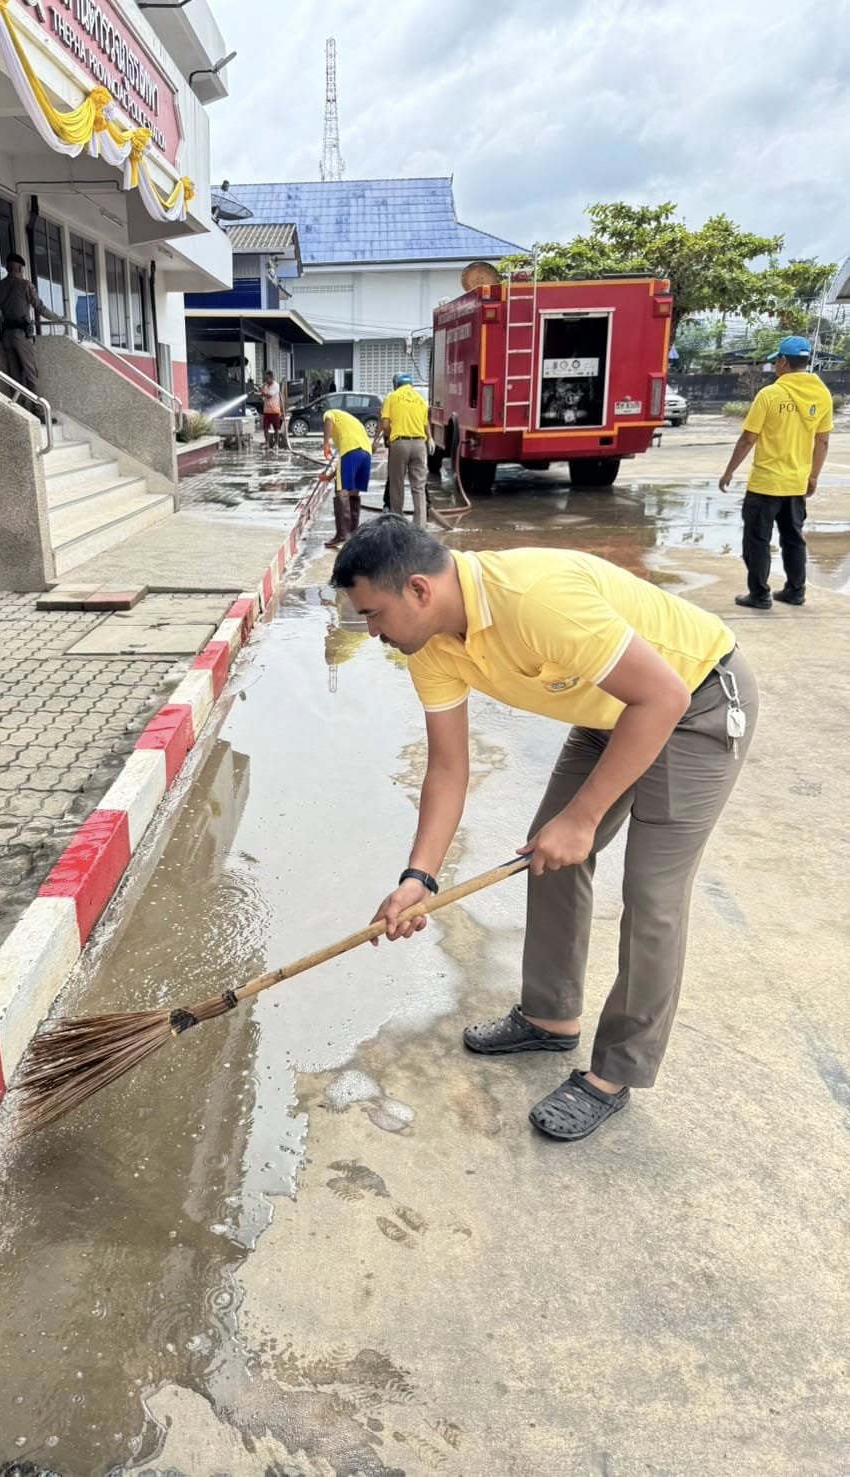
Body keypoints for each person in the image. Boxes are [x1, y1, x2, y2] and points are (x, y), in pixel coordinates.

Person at [331, 516, 758, 1142]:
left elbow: (663, 697)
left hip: (695, 702)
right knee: (547, 854)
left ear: (419, 589)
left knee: (653, 892)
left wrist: (582, 818)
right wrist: (419, 878)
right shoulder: (431, 643)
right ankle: (551, 1018)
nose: (372, 632)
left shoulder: (534, 597)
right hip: (613, 710)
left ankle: (615, 1073)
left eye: (373, 614)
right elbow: (448, 768)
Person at [718, 335, 833, 608]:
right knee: (794, 539)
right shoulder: (822, 395)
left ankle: (759, 595)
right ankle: (795, 591)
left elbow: (748, 438)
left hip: (765, 484)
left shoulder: (769, 395)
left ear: (782, 361)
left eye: (776, 362)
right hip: (796, 483)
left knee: (757, 541)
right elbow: (823, 441)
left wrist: (729, 471)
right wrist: (813, 476)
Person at [0, 253, 63, 421]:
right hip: (22, 335)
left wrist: (3, 320)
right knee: (30, 373)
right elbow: (40, 308)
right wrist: (59, 319)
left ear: (7, 268)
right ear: (20, 269)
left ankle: (21, 412)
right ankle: (39, 412)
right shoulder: (25, 285)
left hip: (6, 336)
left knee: (14, 375)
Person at [379, 373, 429, 525]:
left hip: (400, 443)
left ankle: (398, 523)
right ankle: (420, 526)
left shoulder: (392, 397)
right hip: (420, 444)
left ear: (397, 385)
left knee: (397, 485)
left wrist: (389, 438)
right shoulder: (421, 400)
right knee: (419, 487)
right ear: (411, 385)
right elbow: (425, 425)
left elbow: (385, 425)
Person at [322, 407, 372, 550]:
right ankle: (353, 534)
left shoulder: (330, 413)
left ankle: (342, 535)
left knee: (341, 492)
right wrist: (330, 476)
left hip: (351, 452)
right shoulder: (350, 423)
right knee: (353, 492)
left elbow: (328, 419)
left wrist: (326, 443)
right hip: (366, 453)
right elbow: (342, 466)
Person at [261, 370, 283, 451]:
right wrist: (261, 393)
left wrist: (261, 391)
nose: (266, 380)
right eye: (265, 379)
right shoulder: (266, 386)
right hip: (266, 411)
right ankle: (267, 443)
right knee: (265, 428)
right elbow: (264, 396)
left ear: (271, 377)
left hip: (274, 411)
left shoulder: (276, 386)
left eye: (267, 379)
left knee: (276, 429)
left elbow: (269, 395)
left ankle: (276, 444)